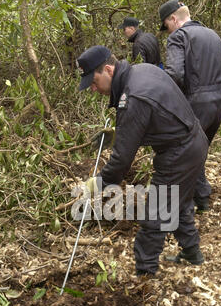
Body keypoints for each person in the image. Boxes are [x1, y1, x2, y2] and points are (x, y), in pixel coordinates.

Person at [76, 45, 209, 276]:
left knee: (156, 212)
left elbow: (122, 159)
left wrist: (98, 183)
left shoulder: (133, 96)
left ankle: (145, 274)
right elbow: (159, 112)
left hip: (180, 151)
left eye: (94, 82)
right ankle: (192, 254)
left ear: (108, 69)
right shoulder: (142, 71)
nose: (93, 89)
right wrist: (122, 133)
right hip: (192, 142)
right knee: (178, 202)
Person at [159, 0, 221, 212]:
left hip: (197, 102)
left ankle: (183, 208)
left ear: (173, 18)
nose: (167, 30)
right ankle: (202, 198)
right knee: (198, 151)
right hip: (220, 101)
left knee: (182, 152)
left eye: (166, 25)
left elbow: (175, 74)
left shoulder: (178, 37)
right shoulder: (213, 35)